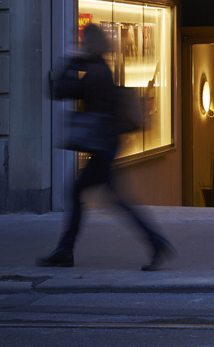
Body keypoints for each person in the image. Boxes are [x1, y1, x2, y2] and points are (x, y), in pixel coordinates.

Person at [37, 24, 176, 270]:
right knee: (97, 196)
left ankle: (67, 250)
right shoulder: (101, 69)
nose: (80, 44)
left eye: (83, 41)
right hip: (107, 143)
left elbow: (60, 90)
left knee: (99, 197)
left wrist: (70, 61)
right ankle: (67, 249)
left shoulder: (95, 73)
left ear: (90, 44)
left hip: (102, 145)